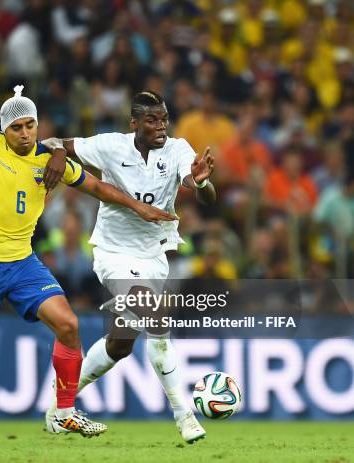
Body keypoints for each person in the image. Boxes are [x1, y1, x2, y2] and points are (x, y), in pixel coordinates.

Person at [0, 27, 176, 438]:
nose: (26, 133)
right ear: (5, 130)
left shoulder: (51, 161)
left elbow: (97, 187)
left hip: (23, 263)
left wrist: (140, 207)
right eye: (18, 128)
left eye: (31, 125)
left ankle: (64, 411)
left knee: (68, 325)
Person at [41, 90, 216, 443]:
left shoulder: (178, 150)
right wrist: (59, 152)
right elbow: (52, 140)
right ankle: (184, 415)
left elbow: (201, 192)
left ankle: (61, 405)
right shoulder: (111, 146)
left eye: (164, 119)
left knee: (121, 344)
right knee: (157, 318)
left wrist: (200, 182)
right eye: (152, 121)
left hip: (154, 256)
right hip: (113, 252)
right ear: (134, 123)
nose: (160, 127)